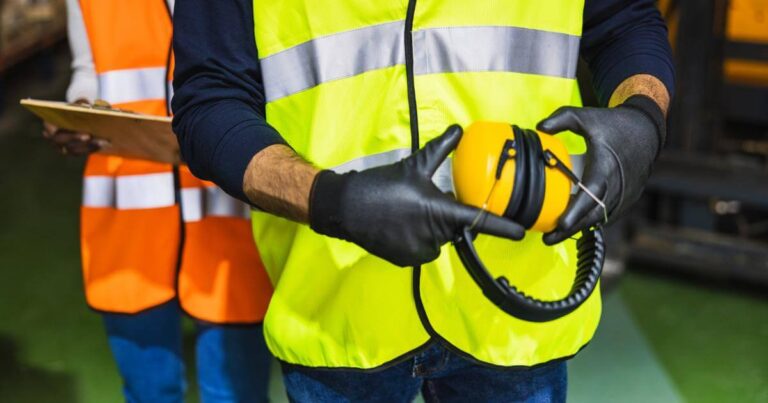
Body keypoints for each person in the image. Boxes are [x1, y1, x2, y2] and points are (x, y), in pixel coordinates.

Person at [173, 0, 674, 401]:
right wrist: (330, 199)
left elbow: (625, 21)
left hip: (519, 300)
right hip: (340, 300)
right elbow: (212, 98)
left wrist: (642, 115)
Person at [42, 0, 274, 401]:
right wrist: (76, 112)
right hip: (128, 225)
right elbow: (88, 72)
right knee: (149, 393)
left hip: (225, 220)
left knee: (237, 394)